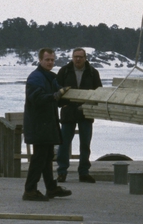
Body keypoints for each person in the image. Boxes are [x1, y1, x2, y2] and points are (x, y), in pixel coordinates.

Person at [23, 48, 71, 202]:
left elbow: (56, 97)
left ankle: (51, 188)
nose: (50, 62)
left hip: (48, 124)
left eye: (52, 60)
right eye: (47, 60)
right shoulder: (35, 78)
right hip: (39, 124)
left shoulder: (50, 77)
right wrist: (55, 96)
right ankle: (30, 190)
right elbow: (37, 98)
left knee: (47, 157)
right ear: (40, 60)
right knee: (39, 158)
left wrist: (64, 98)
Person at [56, 47, 102, 183]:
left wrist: (91, 106)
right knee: (64, 144)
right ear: (72, 57)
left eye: (80, 57)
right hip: (68, 112)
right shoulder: (64, 71)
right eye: (75, 56)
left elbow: (98, 92)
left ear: (85, 58)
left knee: (85, 144)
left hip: (86, 112)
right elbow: (56, 89)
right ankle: (62, 172)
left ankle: (84, 172)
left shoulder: (92, 72)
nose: (77, 59)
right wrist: (62, 104)